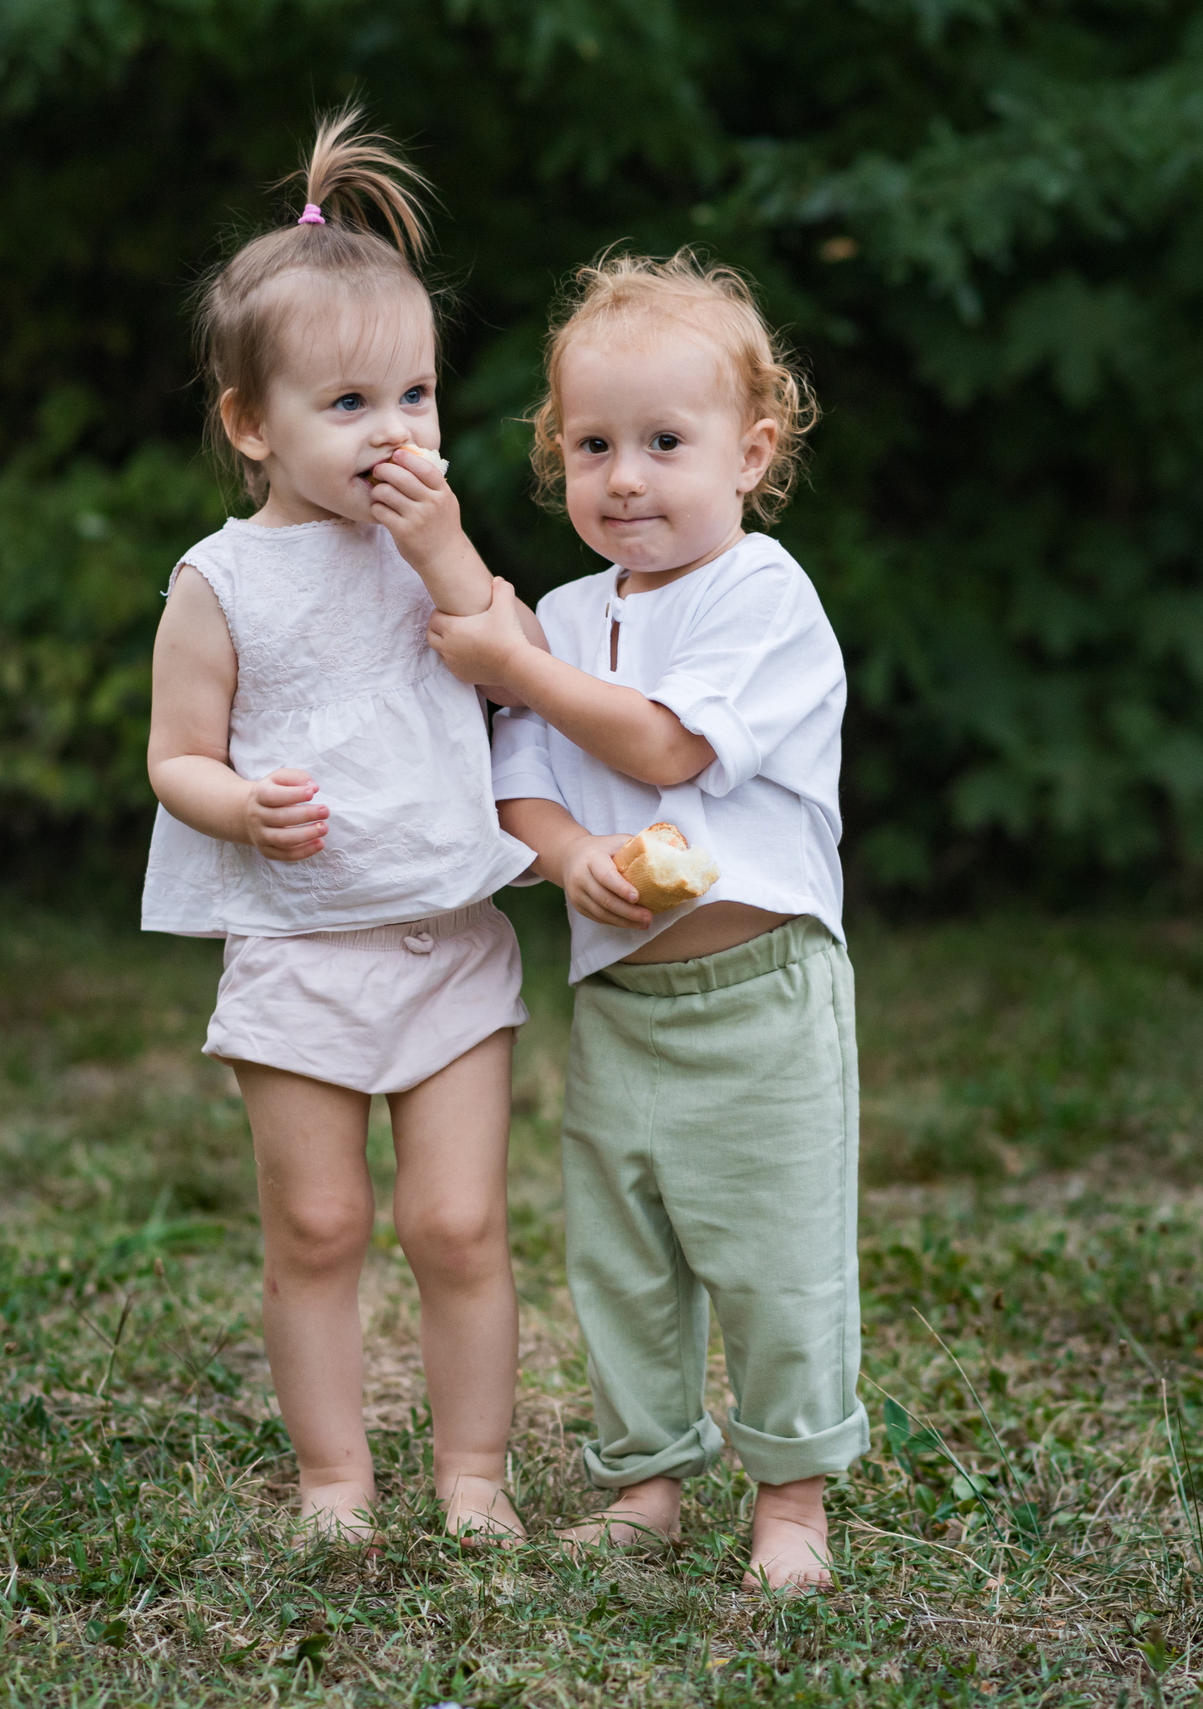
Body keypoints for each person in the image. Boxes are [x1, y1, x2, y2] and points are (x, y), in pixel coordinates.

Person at [426, 250, 865, 1589]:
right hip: (622, 997)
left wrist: (516, 666)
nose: (625, 476)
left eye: (666, 442)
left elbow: (671, 750)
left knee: (776, 1251)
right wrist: (569, 860)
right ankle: (645, 1479)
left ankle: (791, 1498)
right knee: (623, 1256)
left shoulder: (761, 595)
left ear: (752, 450)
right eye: (592, 444)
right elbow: (520, 791)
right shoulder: (560, 613)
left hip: (760, 988)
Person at [141, 108, 539, 1545]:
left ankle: (474, 1472)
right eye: (351, 405)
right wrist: (236, 802)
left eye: (418, 396)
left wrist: (443, 543)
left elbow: (511, 651)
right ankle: (331, 1475)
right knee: (319, 1224)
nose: (397, 435)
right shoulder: (222, 580)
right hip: (299, 943)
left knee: (455, 1223)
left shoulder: (428, 540)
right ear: (253, 424)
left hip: (443, 931)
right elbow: (175, 756)